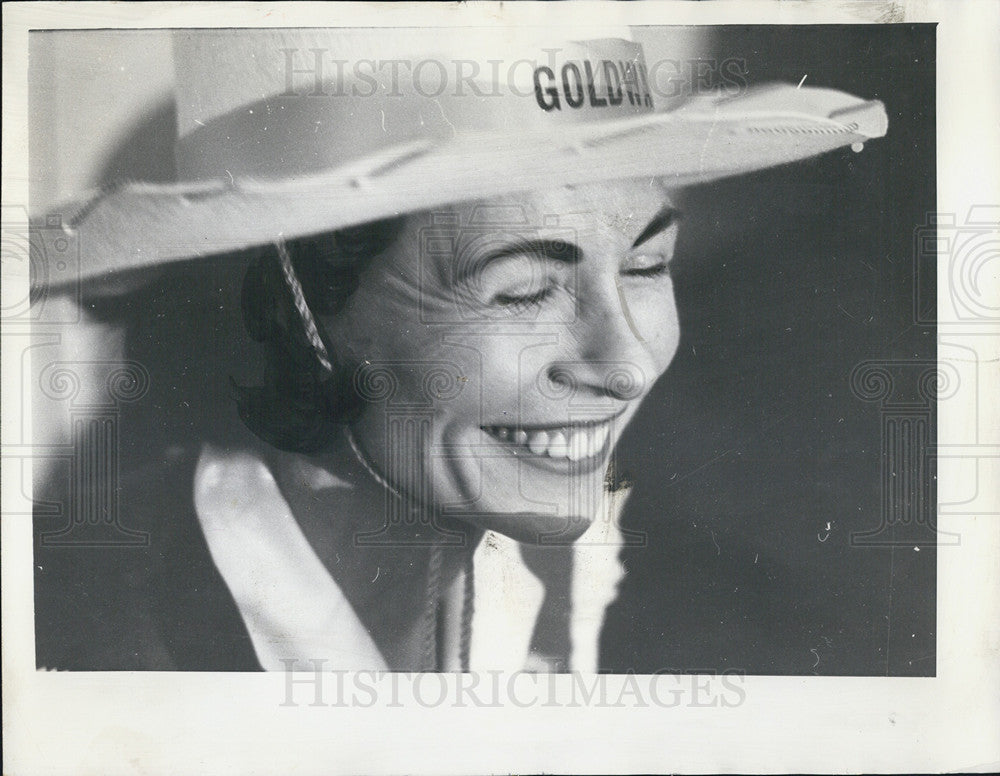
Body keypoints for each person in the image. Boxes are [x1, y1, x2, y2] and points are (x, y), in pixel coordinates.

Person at [32, 28, 887, 672]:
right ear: (294, 313)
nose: (624, 362)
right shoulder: (75, 632)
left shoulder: (598, 585)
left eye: (647, 264)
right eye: (523, 291)